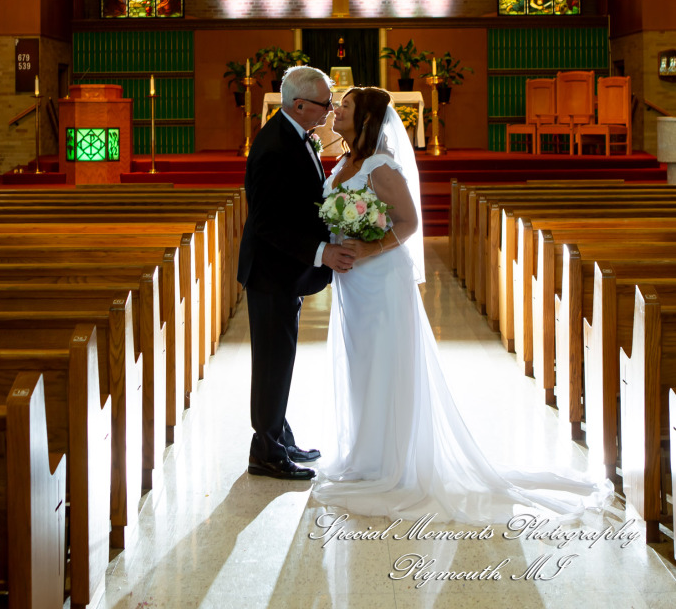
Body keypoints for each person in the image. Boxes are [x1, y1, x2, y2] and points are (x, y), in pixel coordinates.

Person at [312, 86, 613, 522]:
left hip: (380, 279)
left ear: (365, 120)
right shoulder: (344, 162)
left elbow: (411, 223)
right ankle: (364, 453)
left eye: (346, 106)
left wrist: (365, 250)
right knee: (361, 362)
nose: (336, 110)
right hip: (352, 284)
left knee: (384, 361)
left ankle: (388, 462)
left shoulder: (381, 166)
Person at [237, 65, 355, 482]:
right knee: (272, 362)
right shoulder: (273, 145)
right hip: (271, 271)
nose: (330, 110)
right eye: (326, 103)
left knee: (279, 359)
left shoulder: (292, 133)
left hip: (283, 271)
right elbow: (268, 224)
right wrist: (322, 251)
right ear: (300, 104)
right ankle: (265, 451)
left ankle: (278, 436)